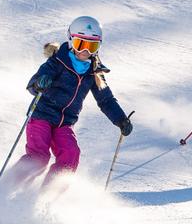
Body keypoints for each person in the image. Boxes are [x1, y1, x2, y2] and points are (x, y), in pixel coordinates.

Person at [7, 15, 132, 188]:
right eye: (81, 44)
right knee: (39, 157)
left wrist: (120, 119)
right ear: (71, 41)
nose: (85, 51)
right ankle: (8, 185)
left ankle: (47, 196)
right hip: (41, 116)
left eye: (92, 46)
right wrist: (39, 83)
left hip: (65, 123)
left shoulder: (94, 72)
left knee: (70, 156)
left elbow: (106, 100)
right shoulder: (57, 62)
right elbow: (32, 85)